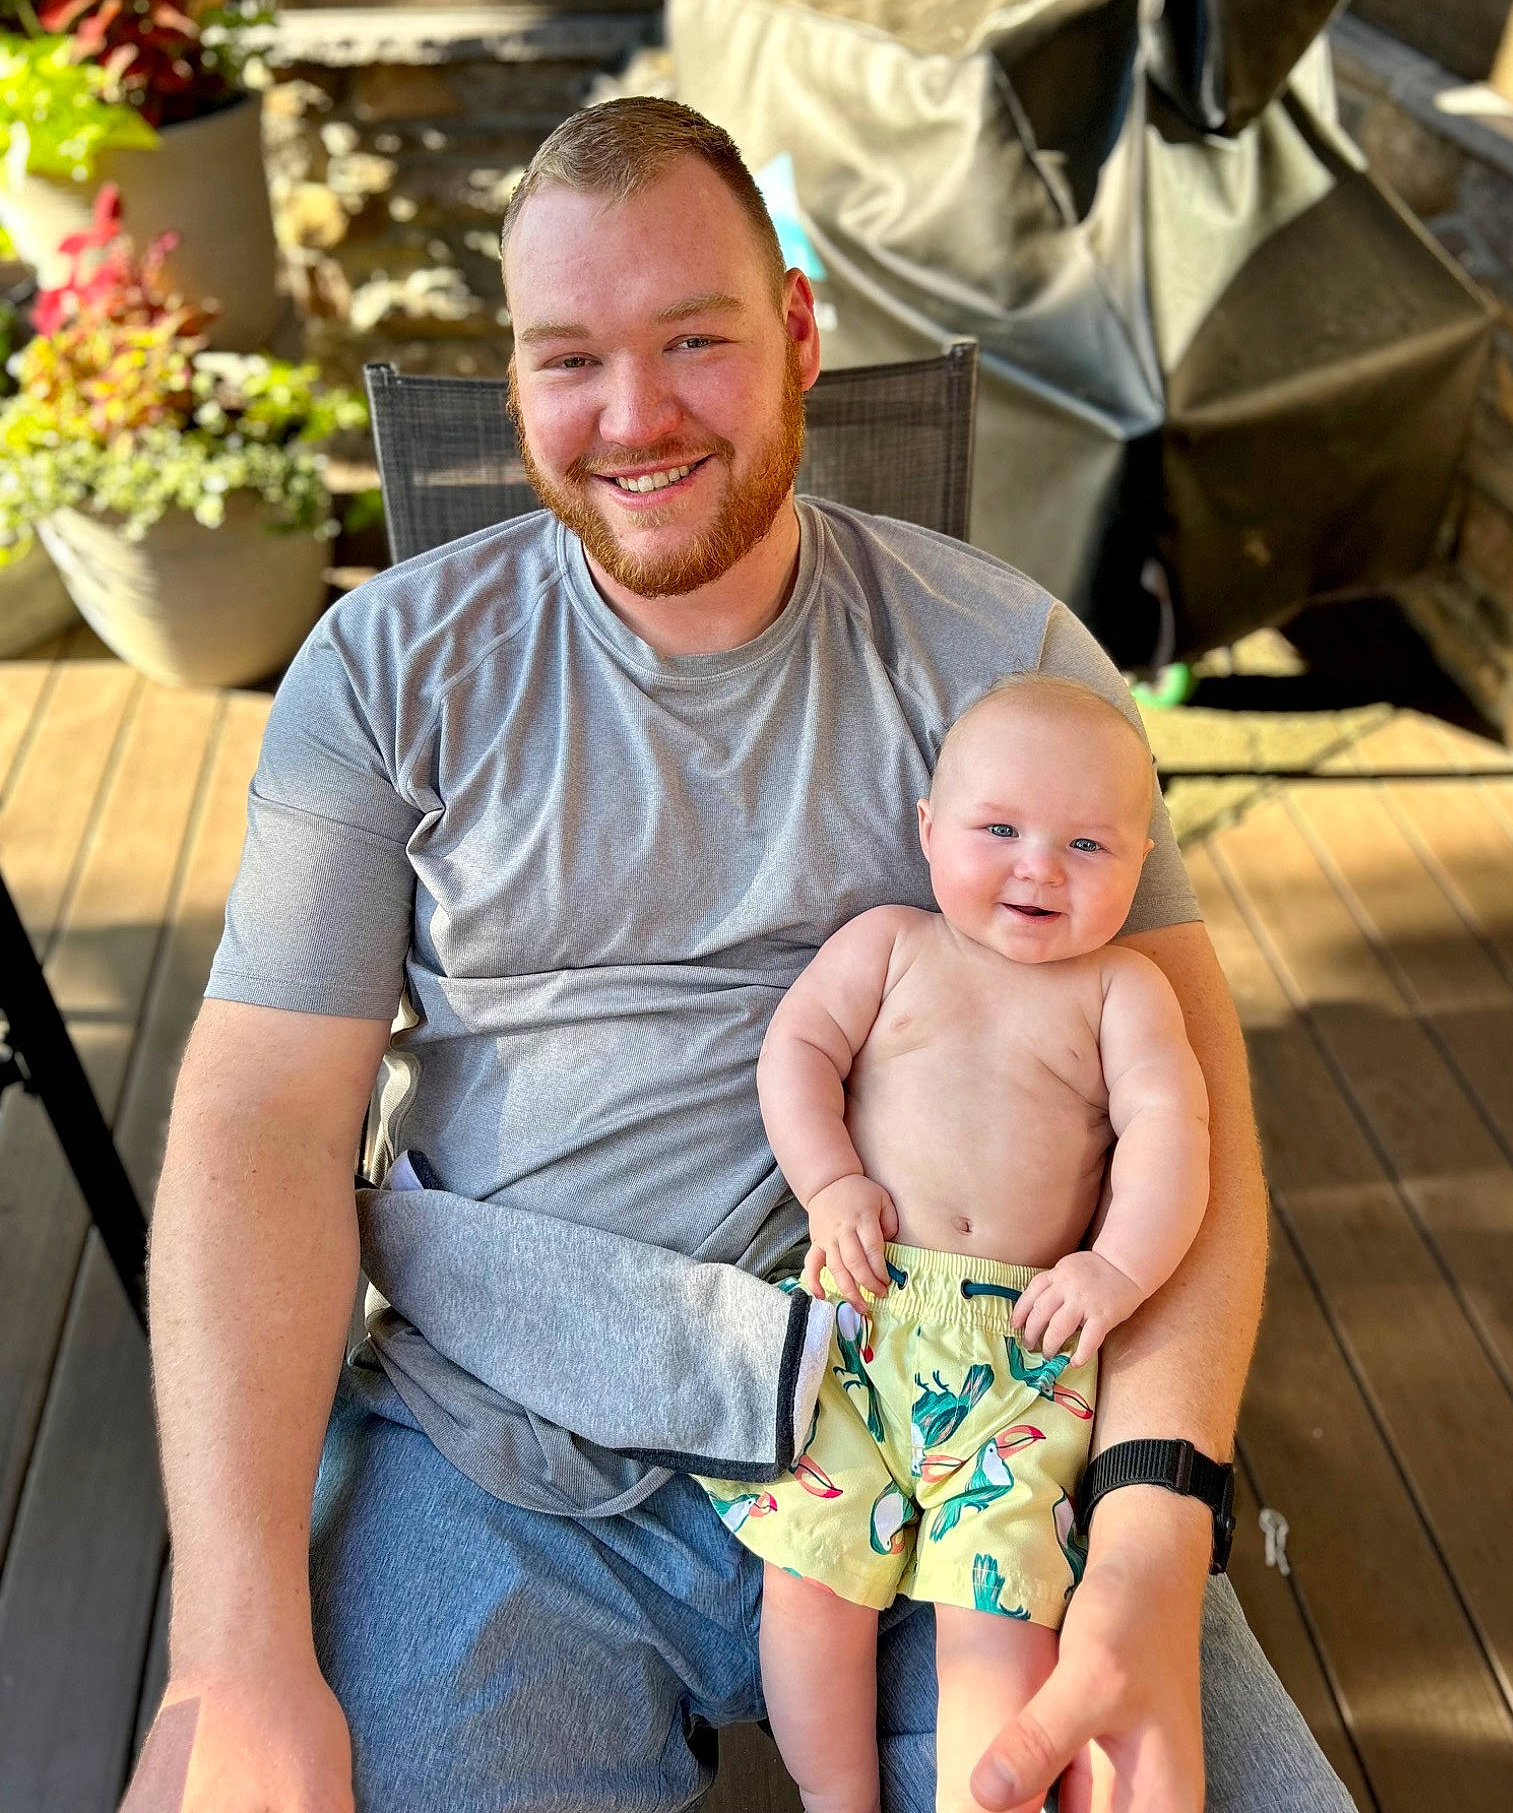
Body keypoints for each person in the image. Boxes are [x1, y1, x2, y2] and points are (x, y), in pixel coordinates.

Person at [123, 97, 1354, 1813]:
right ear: (515, 383)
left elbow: (1195, 1116)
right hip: (513, 1452)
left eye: (693, 340)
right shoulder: (387, 673)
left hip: (967, 1436)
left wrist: (1148, 1539)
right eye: (570, 359)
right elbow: (260, 1114)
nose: (633, 417)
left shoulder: (1003, 665)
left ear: (795, 333)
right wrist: (232, 1645)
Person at [699, 674, 1210, 1813]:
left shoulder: (1123, 989)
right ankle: (837, 1797)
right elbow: (798, 1053)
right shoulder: (890, 945)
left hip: (1024, 1346)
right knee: (809, 1576)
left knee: (1002, 1606)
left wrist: (1115, 1266)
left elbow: (1175, 1133)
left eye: (1088, 843)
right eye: (999, 830)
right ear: (929, 831)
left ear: (1140, 859)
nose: (1040, 867)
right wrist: (829, 1180)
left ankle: (988, 1797)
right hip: (862, 1305)